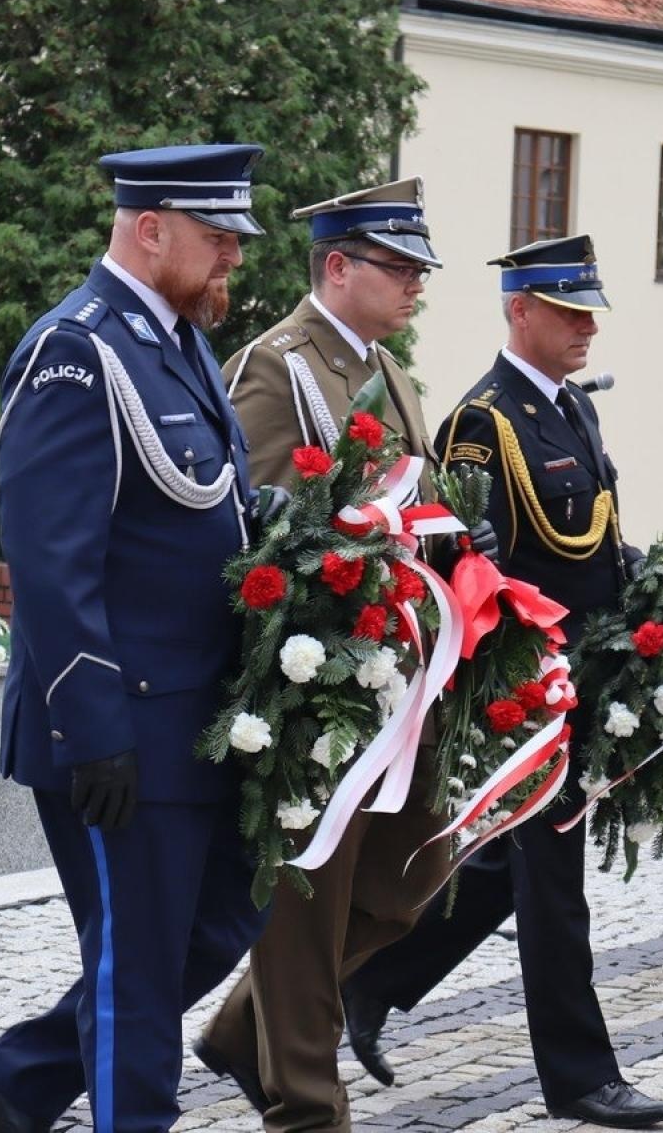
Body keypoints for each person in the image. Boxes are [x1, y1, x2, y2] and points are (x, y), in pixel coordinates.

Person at [0, 144, 276, 1133]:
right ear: (151, 229)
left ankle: (21, 1078)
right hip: (117, 725)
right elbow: (51, 563)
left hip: (195, 718)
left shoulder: (178, 343)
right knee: (137, 970)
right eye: (216, 237)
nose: (232, 256)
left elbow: (213, 509)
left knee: (221, 921)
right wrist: (94, 733)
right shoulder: (75, 353)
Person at [340, 235, 663, 1129]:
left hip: (582, 672)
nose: (586, 329)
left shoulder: (573, 409)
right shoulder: (483, 423)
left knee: (504, 867)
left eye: (590, 313)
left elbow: (591, 544)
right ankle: (582, 1077)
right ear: (519, 310)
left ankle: (367, 979)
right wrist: (519, 685)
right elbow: (469, 569)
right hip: (525, 686)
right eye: (568, 312)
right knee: (552, 887)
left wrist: (659, 583)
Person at [195, 178, 463, 1133]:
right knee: (308, 904)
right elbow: (258, 533)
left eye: (420, 269)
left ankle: (243, 1031)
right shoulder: (278, 367)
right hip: (320, 681)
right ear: (338, 266)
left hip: (398, 673)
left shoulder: (390, 372)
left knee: (410, 879)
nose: (416, 283)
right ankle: (307, 1109)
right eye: (399, 266)